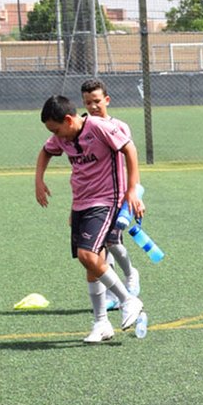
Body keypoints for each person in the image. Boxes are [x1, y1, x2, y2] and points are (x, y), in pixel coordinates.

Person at [35, 94, 146, 343]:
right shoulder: (62, 137)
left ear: (68, 119)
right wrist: (38, 180)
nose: (56, 137)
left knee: (87, 255)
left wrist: (132, 189)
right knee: (92, 264)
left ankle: (128, 300)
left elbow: (129, 148)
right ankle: (101, 323)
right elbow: (45, 152)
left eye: (56, 130)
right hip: (80, 202)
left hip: (106, 201)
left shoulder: (98, 127)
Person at [79, 79, 142, 299]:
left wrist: (135, 193)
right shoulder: (84, 128)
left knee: (113, 240)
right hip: (94, 198)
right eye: (88, 102)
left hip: (119, 195)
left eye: (97, 101)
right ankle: (112, 294)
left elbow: (131, 161)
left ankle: (130, 273)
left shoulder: (119, 127)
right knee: (101, 245)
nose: (93, 106)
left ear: (107, 100)